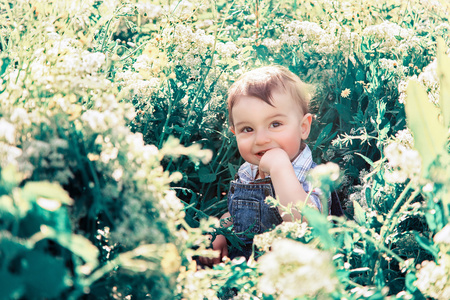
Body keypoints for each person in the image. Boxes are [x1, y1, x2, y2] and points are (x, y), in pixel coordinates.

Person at [199, 65, 334, 267]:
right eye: (247, 129)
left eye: (275, 124)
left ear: (303, 127)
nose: (261, 139)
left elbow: (306, 225)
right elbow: (238, 213)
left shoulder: (313, 176)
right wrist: (221, 230)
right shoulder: (247, 171)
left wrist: (280, 168)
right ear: (235, 133)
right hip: (243, 272)